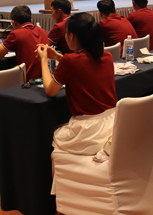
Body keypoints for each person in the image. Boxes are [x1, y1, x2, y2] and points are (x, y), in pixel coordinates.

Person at [37, 12, 117, 155]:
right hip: (113, 124)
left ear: (72, 36)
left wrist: (43, 59)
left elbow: (50, 91)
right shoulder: (107, 56)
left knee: (49, 134)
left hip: (88, 132)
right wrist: (57, 57)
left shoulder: (70, 61)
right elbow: (82, 64)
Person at [0, 5, 48, 80]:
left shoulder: (16, 34)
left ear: (14, 23)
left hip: (28, 81)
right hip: (45, 78)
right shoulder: (43, 31)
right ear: (31, 21)